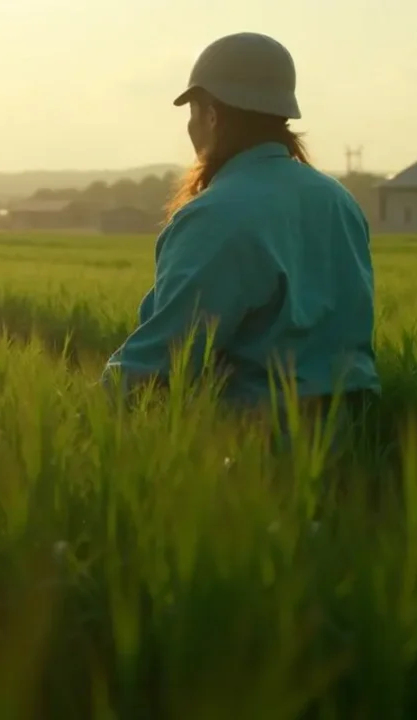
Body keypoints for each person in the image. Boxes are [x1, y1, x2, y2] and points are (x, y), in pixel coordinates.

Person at [101, 32, 380, 433]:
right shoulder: (338, 200)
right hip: (352, 447)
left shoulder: (215, 213)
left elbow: (165, 357)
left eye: (193, 112)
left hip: (252, 451)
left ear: (211, 115)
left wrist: (73, 421)